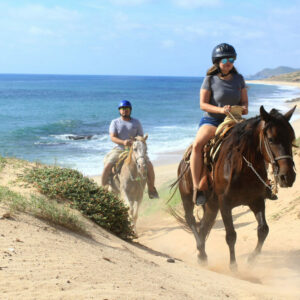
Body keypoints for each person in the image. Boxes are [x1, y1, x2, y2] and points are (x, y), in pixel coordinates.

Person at [190, 43, 249, 205]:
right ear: (217, 61)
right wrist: (221, 110)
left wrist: (241, 109)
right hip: (212, 120)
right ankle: (197, 187)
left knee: (254, 141)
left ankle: (263, 182)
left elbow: (245, 106)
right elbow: (203, 105)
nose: (228, 62)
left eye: (231, 59)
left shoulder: (239, 79)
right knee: (197, 145)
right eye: (225, 59)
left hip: (234, 120)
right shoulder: (209, 80)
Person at [101, 100, 159, 199]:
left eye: (127, 109)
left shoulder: (136, 122)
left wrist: (136, 141)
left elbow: (140, 137)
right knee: (108, 165)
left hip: (135, 150)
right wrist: (123, 142)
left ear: (130, 110)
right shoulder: (115, 122)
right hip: (120, 149)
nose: (125, 111)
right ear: (119, 111)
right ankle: (103, 190)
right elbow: (113, 137)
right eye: (122, 109)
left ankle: (151, 189)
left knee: (149, 166)